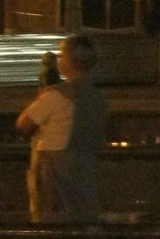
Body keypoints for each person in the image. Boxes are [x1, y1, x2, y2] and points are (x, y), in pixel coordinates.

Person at [16, 34, 108, 221]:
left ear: (69, 61)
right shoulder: (98, 99)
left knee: (50, 221)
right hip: (86, 170)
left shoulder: (56, 96)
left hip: (54, 172)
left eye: (61, 55)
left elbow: (23, 124)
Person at [24, 50, 63, 218]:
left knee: (42, 203)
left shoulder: (48, 95)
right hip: (60, 157)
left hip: (44, 153)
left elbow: (24, 123)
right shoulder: (65, 95)